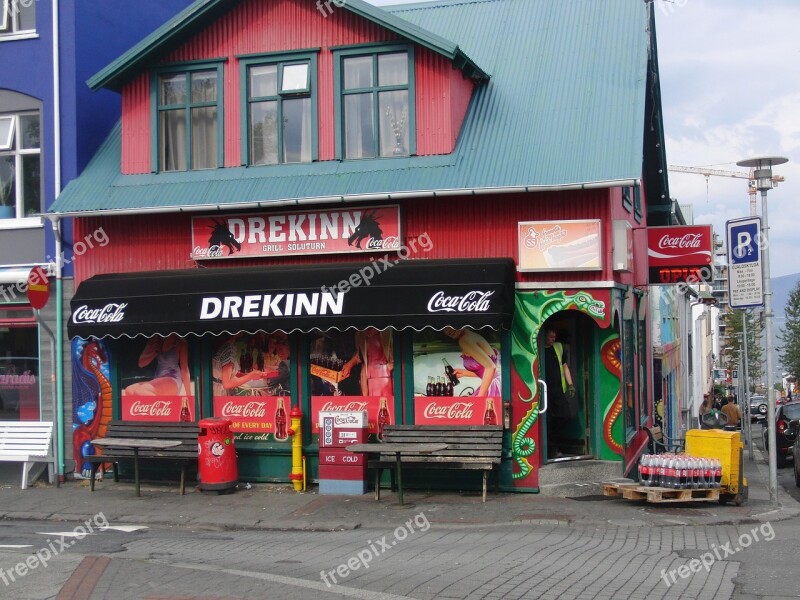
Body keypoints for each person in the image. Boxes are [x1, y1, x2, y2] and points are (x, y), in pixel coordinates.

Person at [122, 334, 191, 397]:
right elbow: (141, 363)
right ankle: (155, 407)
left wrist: (189, 396)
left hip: (173, 379)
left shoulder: (179, 341)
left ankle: (164, 407)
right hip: (158, 378)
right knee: (129, 391)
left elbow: (184, 369)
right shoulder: (155, 339)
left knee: (141, 391)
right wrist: (154, 353)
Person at [542, 327, 575, 457]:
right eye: (551, 337)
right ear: (544, 336)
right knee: (547, 420)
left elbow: (565, 366)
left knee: (565, 415)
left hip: (557, 389)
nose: (553, 340)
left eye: (554, 337)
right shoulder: (538, 348)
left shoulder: (558, 347)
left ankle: (552, 439)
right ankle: (552, 448)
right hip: (544, 390)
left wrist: (570, 384)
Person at [443, 327, 501, 397]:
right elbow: (487, 370)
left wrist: (480, 397)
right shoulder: (470, 335)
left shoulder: (464, 340)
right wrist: (464, 373)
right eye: (444, 328)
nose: (448, 331)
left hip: (493, 386)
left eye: (451, 325)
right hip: (497, 383)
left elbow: (491, 367)